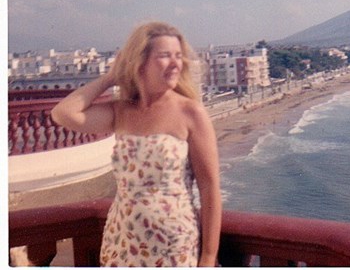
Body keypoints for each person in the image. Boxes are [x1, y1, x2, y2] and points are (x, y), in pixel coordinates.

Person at [51, 21, 222, 267]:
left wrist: (208, 256)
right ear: (139, 62)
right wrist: (110, 78)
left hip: (173, 245)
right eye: (164, 56)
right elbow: (63, 114)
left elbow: (210, 188)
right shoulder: (121, 111)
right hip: (122, 241)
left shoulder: (190, 112)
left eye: (178, 56)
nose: (176, 63)